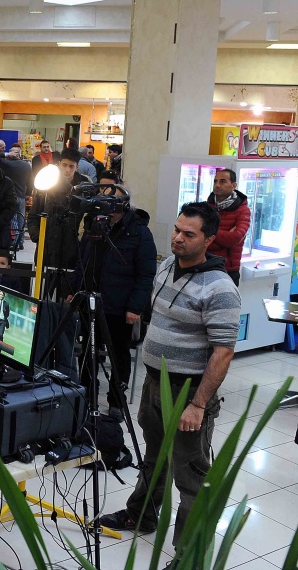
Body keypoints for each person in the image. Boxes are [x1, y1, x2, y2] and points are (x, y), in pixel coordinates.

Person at [97, 202, 240, 549]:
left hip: (188, 392)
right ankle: (141, 515)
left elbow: (223, 352)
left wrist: (198, 405)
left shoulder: (219, 288)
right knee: (154, 457)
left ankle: (189, 552)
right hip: (154, 383)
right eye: (177, 229)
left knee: (191, 474)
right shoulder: (166, 266)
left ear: (208, 240)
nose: (178, 238)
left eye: (188, 234)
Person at [75, 182, 156, 419]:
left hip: (119, 307)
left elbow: (146, 274)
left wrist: (135, 307)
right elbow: (83, 259)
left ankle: (117, 401)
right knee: (88, 352)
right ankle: (87, 394)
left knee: (119, 355)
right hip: (90, 300)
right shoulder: (95, 226)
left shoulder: (139, 232)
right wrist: (75, 287)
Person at [26, 148, 87, 296]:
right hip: (46, 251)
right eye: (64, 165)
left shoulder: (83, 189)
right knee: (40, 295)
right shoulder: (46, 185)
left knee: (65, 297)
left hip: (70, 254)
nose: (67, 170)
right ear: (59, 164)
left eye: (71, 166)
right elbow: (33, 216)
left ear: (77, 167)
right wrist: (39, 237)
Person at [206, 168, 250, 286]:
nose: (217, 185)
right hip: (206, 264)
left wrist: (210, 233)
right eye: (215, 181)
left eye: (222, 181)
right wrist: (225, 237)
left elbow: (235, 238)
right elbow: (199, 236)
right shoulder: (206, 207)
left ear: (233, 185)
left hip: (228, 270)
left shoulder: (243, 210)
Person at [0, 145, 32, 251]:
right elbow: (30, 182)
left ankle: (15, 243)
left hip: (11, 196)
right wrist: (28, 194)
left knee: (13, 220)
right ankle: (21, 242)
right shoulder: (26, 165)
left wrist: (6, 154)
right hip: (22, 196)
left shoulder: (7, 164)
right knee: (21, 220)